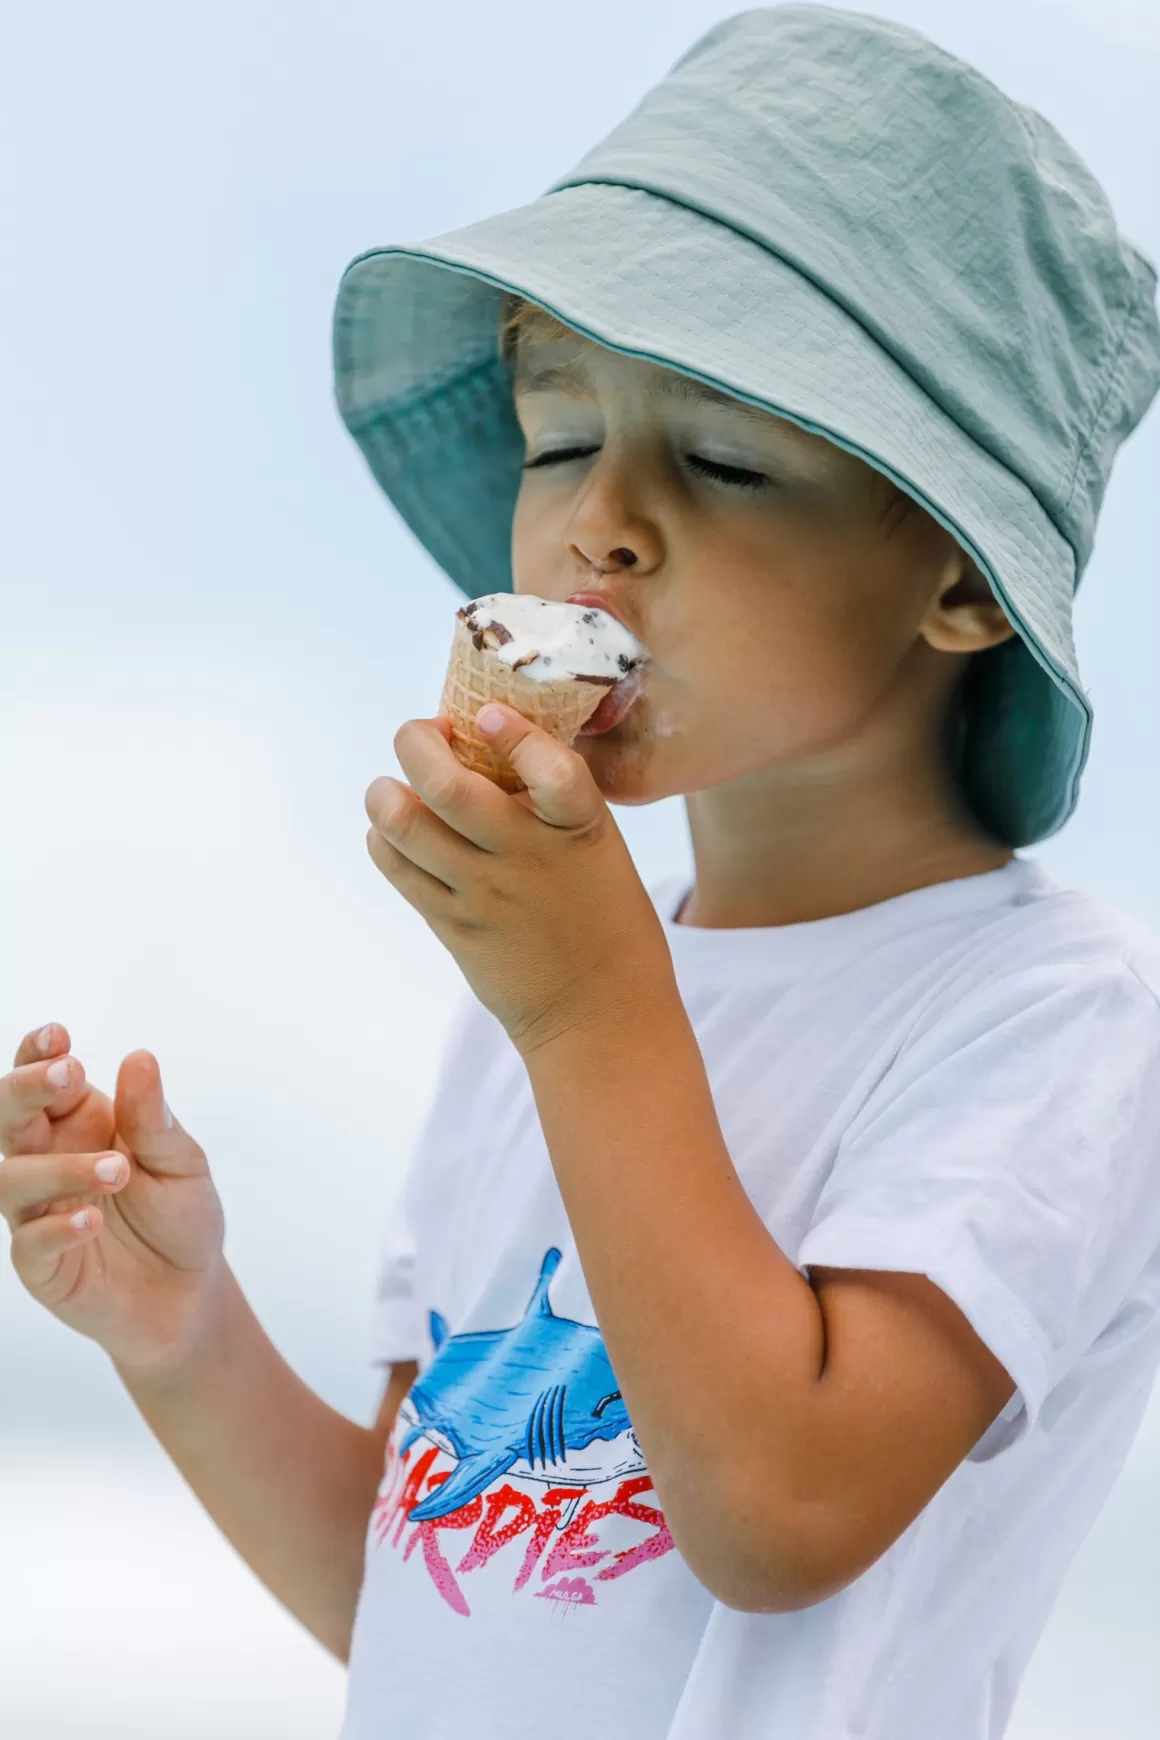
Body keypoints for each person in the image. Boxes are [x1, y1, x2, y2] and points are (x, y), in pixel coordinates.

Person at [2, 8, 1159, 1738]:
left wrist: (593, 1008)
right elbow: (424, 1594)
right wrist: (185, 1336)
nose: (596, 524)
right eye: (557, 439)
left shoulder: (1051, 1018)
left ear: (964, 581)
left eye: (723, 455)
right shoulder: (542, 1007)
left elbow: (781, 1514)